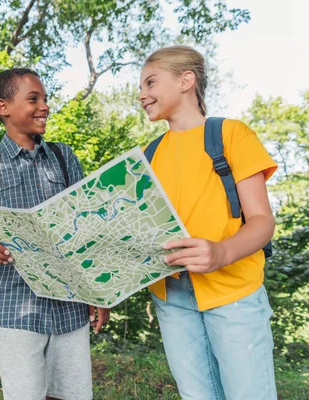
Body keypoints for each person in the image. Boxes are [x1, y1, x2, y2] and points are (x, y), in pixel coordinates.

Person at [0, 67, 109, 400]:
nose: (45, 106)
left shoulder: (64, 157)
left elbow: (86, 225)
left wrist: (98, 291)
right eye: (33, 99)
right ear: (4, 107)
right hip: (14, 303)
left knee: (73, 394)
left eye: (45, 98)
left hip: (70, 303)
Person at [138, 45, 278, 399]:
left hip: (234, 295)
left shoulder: (231, 134)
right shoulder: (148, 156)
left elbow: (262, 221)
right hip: (172, 299)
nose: (142, 95)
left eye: (150, 82)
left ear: (186, 80)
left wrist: (221, 252)